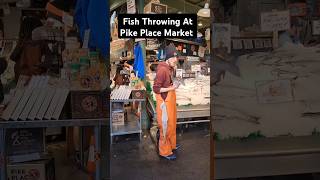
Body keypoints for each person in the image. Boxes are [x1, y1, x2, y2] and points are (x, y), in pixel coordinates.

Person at [153, 43, 181, 160]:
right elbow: (156, 89)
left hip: (170, 102)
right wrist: (171, 88)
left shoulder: (169, 68)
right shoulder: (162, 70)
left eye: (176, 57)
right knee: (165, 126)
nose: (176, 60)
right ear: (168, 58)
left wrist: (174, 70)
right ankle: (164, 151)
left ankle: (172, 145)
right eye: (174, 58)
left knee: (172, 124)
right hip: (164, 102)